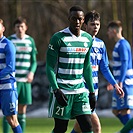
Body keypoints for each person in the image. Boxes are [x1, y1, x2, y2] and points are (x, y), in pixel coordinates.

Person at [71, 11, 124, 133]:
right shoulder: (79, 41)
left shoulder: (100, 44)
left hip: (94, 89)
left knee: (79, 125)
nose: (95, 27)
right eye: (92, 24)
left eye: (97, 24)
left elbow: (104, 67)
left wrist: (115, 84)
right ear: (85, 25)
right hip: (81, 88)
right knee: (95, 125)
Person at [46, 5, 97, 133]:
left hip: (80, 91)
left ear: (84, 20)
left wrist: (91, 92)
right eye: (74, 19)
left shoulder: (88, 39)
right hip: (63, 90)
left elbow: (87, 67)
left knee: (87, 126)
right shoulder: (58, 38)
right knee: (60, 128)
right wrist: (56, 89)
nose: (77, 22)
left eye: (80, 19)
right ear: (69, 18)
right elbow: (49, 67)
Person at [2, 16, 37, 133]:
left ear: (26, 27)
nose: (20, 29)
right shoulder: (11, 40)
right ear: (13, 28)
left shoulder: (30, 41)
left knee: (21, 110)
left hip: (23, 81)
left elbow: (34, 61)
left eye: (22, 26)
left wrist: (31, 72)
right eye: (17, 27)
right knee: (7, 112)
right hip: (12, 79)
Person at [107, 20, 133, 133]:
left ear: (113, 31)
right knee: (115, 110)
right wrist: (112, 81)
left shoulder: (123, 44)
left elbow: (125, 63)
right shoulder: (118, 44)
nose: (108, 34)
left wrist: (121, 81)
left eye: (108, 31)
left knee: (123, 110)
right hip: (118, 81)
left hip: (125, 83)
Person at [0, 19, 22, 133]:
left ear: (3, 28)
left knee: (12, 120)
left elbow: (10, 67)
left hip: (7, 88)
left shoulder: (8, 44)